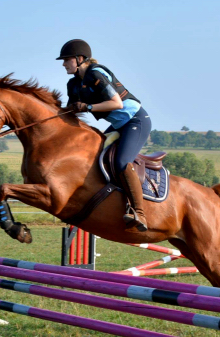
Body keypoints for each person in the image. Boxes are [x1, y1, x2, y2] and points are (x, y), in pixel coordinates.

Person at [57, 39, 152, 232]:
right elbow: (70, 112)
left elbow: (116, 104)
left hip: (135, 120)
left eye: (67, 59)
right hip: (118, 124)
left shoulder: (96, 73)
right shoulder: (74, 84)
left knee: (121, 162)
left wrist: (89, 107)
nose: (63, 63)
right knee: (92, 155)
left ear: (79, 59)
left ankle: (139, 212)